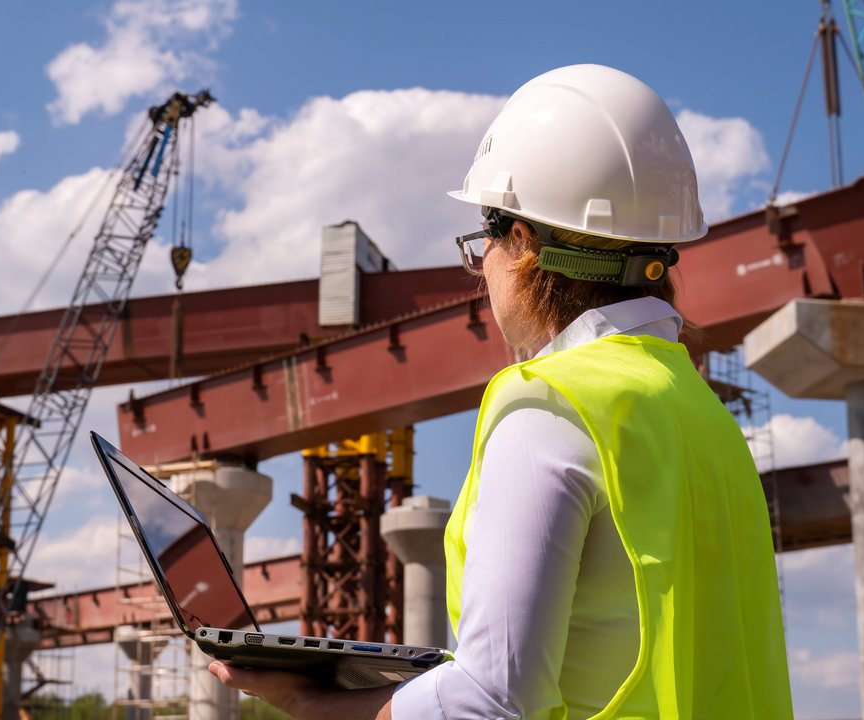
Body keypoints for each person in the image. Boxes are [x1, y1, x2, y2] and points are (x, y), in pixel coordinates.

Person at [209, 64, 793, 719]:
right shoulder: (703, 414)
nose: (479, 268)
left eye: (480, 242)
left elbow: (491, 700)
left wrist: (310, 704)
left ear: (521, 242)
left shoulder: (553, 405)